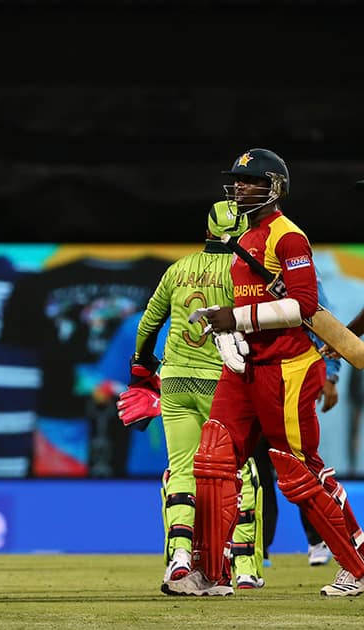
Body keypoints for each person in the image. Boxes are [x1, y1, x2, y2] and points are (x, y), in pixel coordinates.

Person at [165, 148, 364, 597]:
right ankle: (210, 575)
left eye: (250, 181)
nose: (239, 187)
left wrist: (238, 321)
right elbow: (251, 305)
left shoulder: (288, 237)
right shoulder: (244, 241)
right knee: (212, 461)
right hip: (247, 367)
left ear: (274, 187)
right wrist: (230, 333)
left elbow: (303, 306)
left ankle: (358, 565)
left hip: (289, 369)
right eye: (236, 181)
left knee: (298, 470)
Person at [118, 201, 264, 595]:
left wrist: (142, 371)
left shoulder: (178, 269)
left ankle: (180, 558)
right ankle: (241, 562)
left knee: (181, 472)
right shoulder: (246, 270)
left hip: (177, 381)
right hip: (224, 383)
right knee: (237, 472)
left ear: (207, 231)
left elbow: (149, 323)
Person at [253, 273, 342, 569]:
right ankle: (258, 548)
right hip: (257, 380)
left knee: (299, 462)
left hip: (294, 380)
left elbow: (324, 322)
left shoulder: (300, 276)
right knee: (259, 470)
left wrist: (329, 376)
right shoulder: (241, 274)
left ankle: (318, 539)